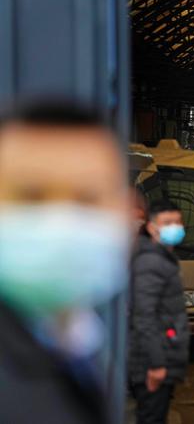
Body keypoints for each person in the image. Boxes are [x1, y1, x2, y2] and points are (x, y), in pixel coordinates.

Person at [0, 103, 131, 423]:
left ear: (127, 211)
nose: (61, 220)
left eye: (87, 198)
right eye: (32, 196)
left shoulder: (78, 348)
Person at [129, 200, 190, 424]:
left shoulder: (161, 258)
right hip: (150, 362)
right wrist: (156, 364)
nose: (174, 227)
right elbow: (144, 316)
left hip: (161, 356)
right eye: (167, 223)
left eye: (177, 222)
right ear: (152, 227)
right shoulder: (150, 262)